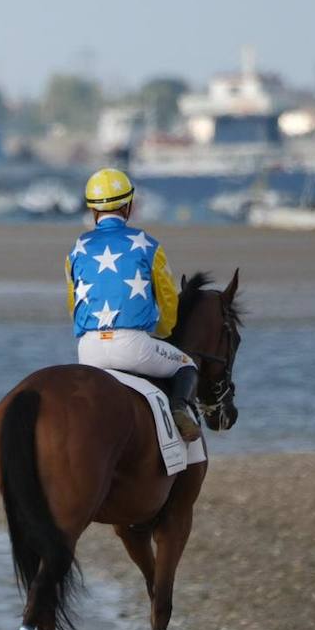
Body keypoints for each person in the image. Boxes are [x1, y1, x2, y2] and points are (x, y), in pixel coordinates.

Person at [65, 168, 201, 442]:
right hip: (134, 347)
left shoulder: (77, 248)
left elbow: (73, 306)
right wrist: (163, 333)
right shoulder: (148, 244)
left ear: (92, 209)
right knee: (187, 366)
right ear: (128, 206)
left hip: (88, 350)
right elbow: (168, 301)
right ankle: (178, 410)